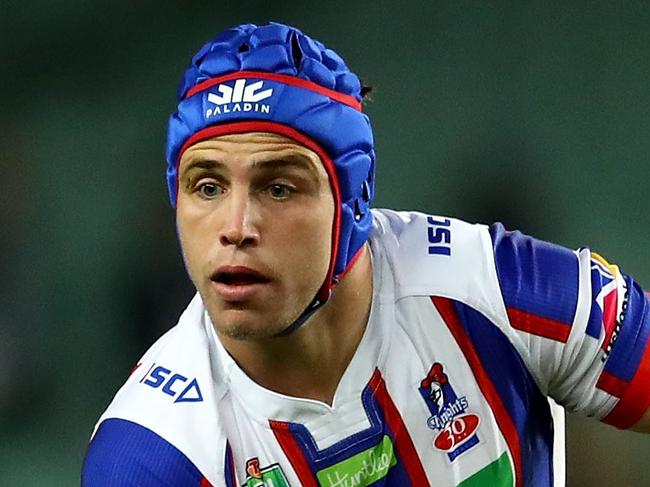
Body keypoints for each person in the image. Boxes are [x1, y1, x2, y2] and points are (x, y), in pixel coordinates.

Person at [81, 22, 650, 486]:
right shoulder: (153, 454)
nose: (236, 227)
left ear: (353, 205)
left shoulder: (492, 289)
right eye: (207, 187)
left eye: (278, 187)